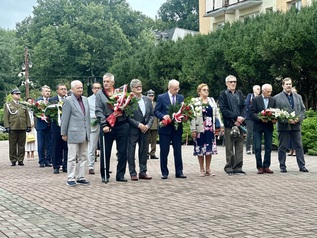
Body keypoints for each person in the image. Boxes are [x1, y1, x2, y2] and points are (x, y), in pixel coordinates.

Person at [95, 73, 129, 183]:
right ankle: (105, 174)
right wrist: (104, 124)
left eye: (108, 81)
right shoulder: (100, 94)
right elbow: (98, 110)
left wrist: (122, 113)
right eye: (104, 81)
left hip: (121, 123)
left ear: (113, 82)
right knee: (106, 151)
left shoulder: (120, 93)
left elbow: (128, 107)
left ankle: (120, 175)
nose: (105, 83)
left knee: (123, 151)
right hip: (107, 124)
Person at [273, 77, 308, 173]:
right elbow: (276, 112)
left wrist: (298, 118)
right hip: (284, 126)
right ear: (283, 85)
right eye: (287, 84)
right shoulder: (276, 98)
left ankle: (302, 166)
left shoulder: (298, 97)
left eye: (290, 84)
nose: (289, 85)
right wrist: (287, 120)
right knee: (282, 146)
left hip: (296, 125)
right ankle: (282, 166)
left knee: (299, 146)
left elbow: (303, 110)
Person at [154, 79, 187, 179]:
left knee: (178, 151)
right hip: (165, 128)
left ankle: (179, 172)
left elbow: (184, 111)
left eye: (178, 89)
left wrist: (184, 116)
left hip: (177, 128)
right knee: (164, 151)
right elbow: (156, 111)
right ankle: (164, 172)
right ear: (169, 87)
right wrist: (163, 116)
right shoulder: (161, 97)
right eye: (175, 89)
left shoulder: (181, 98)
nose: (177, 91)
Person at [61, 80, 91, 186]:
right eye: (78, 88)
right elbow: (65, 118)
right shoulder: (68, 101)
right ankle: (71, 178)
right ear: (72, 89)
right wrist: (63, 133)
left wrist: (89, 131)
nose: (80, 90)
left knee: (83, 156)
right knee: (72, 157)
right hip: (72, 133)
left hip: (85, 132)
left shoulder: (86, 100)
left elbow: (87, 117)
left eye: (81, 88)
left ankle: (81, 177)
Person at [190, 83, 223, 177]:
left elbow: (217, 113)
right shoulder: (195, 101)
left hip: (210, 128)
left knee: (209, 149)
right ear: (199, 91)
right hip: (199, 128)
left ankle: (208, 168)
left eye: (207, 90)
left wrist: (221, 125)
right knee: (200, 148)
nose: (206, 92)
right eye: (204, 90)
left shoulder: (211, 100)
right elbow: (192, 117)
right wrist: (193, 129)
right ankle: (201, 169)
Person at [218, 75, 246, 175]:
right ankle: (229, 166)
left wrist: (241, 118)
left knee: (239, 146)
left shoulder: (239, 93)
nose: (233, 83)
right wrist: (235, 117)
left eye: (234, 81)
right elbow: (223, 109)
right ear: (226, 83)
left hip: (240, 124)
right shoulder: (223, 94)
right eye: (231, 82)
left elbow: (244, 107)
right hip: (229, 124)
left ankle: (238, 167)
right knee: (229, 146)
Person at [127, 79, 154, 181]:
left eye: (140, 86)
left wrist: (148, 125)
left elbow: (152, 115)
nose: (139, 87)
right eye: (136, 86)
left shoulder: (147, 99)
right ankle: (133, 173)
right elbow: (128, 117)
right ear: (132, 88)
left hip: (145, 130)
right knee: (131, 151)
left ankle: (143, 172)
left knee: (144, 151)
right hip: (133, 130)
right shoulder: (129, 100)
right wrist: (138, 124)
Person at [250, 84, 276, 174]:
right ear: (263, 91)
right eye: (268, 91)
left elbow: (275, 111)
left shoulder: (273, 100)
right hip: (258, 126)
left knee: (268, 147)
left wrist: (274, 118)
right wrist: (260, 117)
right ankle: (259, 166)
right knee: (257, 147)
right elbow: (252, 113)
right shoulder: (256, 99)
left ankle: (266, 166)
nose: (269, 93)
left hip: (268, 126)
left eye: (270, 91)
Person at [4, 89, 31, 166]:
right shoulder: (8, 105)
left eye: (19, 94)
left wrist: (28, 125)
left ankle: (20, 159)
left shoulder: (23, 104)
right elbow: (6, 117)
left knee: (21, 145)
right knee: (12, 145)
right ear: (12, 95)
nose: (18, 95)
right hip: (13, 127)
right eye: (16, 94)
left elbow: (27, 116)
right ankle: (13, 159)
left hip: (22, 126)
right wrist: (7, 126)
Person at [49, 84, 68, 174]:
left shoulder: (69, 99)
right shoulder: (52, 100)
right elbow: (47, 113)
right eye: (62, 89)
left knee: (66, 147)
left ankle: (66, 165)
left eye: (65, 89)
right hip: (56, 127)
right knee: (56, 147)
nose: (64, 90)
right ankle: (56, 166)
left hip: (67, 127)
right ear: (57, 91)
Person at [36, 85, 52, 167]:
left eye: (49, 91)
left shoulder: (52, 101)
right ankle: (41, 160)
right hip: (41, 126)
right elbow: (36, 112)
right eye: (46, 91)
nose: (48, 93)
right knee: (41, 144)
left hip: (50, 125)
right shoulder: (38, 101)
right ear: (42, 92)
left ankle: (48, 160)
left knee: (49, 144)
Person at [87, 82, 101, 175]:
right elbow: (86, 112)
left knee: (104, 146)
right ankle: (90, 166)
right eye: (95, 88)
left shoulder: (105, 98)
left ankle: (104, 166)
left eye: (99, 88)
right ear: (92, 89)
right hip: (93, 124)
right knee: (92, 146)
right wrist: (94, 116)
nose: (97, 89)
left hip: (104, 124)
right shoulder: (88, 100)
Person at [245, 85, 261, 154]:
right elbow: (247, 105)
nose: (259, 90)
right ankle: (248, 148)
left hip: (257, 117)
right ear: (254, 90)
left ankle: (255, 149)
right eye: (257, 89)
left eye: (259, 89)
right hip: (249, 117)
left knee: (256, 133)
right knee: (250, 132)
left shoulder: (260, 98)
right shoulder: (250, 96)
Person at [146, 89, 159, 160]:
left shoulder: (156, 104)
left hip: (154, 124)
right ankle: (146, 153)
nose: (151, 97)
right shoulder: (145, 103)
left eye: (152, 96)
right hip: (147, 124)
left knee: (154, 140)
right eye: (149, 95)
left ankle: (152, 153)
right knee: (146, 140)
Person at [287, 87, 298, 157]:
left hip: (296, 120)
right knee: (289, 136)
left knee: (295, 137)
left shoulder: (298, 99)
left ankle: (295, 150)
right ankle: (290, 149)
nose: (293, 93)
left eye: (295, 91)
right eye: (292, 91)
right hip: (289, 120)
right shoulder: (288, 99)